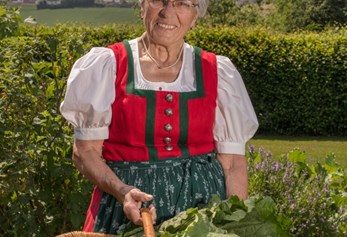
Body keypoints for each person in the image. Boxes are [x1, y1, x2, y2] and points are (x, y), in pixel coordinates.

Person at [60, 0, 259, 234]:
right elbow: (85, 152)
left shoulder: (218, 71)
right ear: (142, 7)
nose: (168, 12)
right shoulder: (108, 64)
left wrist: (232, 226)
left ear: (195, 16)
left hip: (202, 212)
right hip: (126, 207)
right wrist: (122, 191)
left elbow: (233, 164)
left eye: (182, 3)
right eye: (158, 1)